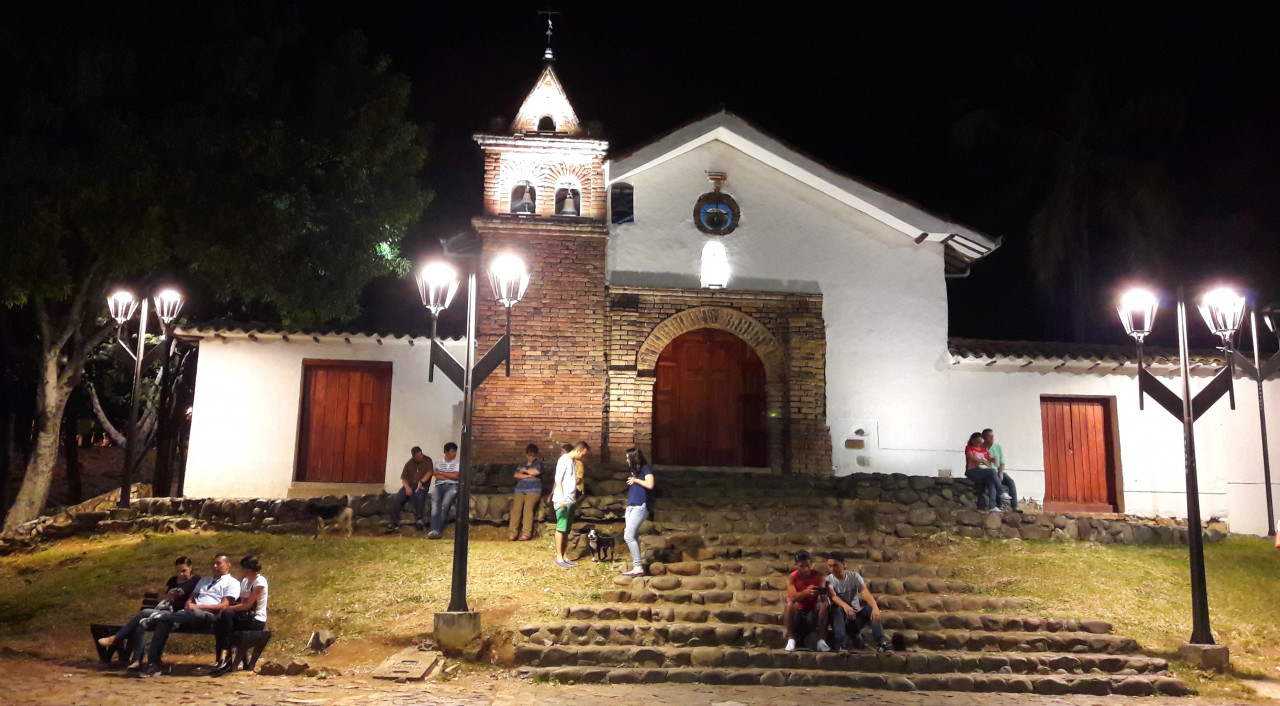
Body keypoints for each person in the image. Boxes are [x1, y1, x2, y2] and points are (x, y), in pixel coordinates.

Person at [140, 554, 241, 678]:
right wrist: (189, 605)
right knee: (165, 622)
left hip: (209, 617)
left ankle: (158, 617)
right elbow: (191, 599)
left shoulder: (232, 583)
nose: (214, 566)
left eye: (218, 563)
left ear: (228, 565)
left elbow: (224, 605)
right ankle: (154, 664)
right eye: (213, 563)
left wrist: (197, 607)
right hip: (188, 615)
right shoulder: (204, 581)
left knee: (190, 614)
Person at [96, 555, 202, 670]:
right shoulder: (172, 580)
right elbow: (159, 597)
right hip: (161, 612)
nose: (181, 574)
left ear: (190, 568)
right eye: (178, 571)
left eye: (184, 571)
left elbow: (187, 596)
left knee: (145, 612)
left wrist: (175, 595)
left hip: (176, 616)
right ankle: (137, 660)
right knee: (141, 623)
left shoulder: (196, 580)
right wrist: (168, 595)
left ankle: (115, 638)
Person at [210, 555, 269, 676]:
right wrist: (241, 579)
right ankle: (223, 658)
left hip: (256, 619)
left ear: (247, 568)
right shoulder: (245, 581)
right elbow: (238, 600)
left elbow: (247, 605)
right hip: (244, 617)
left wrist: (226, 608)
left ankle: (224, 658)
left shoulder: (260, 581)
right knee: (220, 622)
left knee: (226, 613)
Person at [825, 552, 889, 652]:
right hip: (840, 621)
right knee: (836, 610)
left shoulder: (854, 577)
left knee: (871, 609)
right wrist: (845, 606)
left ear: (844, 564)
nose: (832, 569)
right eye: (830, 566)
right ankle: (842, 644)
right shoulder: (829, 580)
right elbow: (833, 596)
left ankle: (881, 642)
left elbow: (865, 592)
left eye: (835, 565)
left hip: (855, 619)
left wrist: (875, 609)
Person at [783, 550, 831, 652]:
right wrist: (806, 592)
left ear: (811, 564)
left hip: (811, 613)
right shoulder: (792, 578)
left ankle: (821, 641)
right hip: (797, 614)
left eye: (807, 565)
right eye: (801, 566)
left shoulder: (818, 576)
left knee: (825, 605)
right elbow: (792, 597)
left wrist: (823, 595)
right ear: (796, 565)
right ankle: (791, 639)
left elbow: (823, 594)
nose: (805, 569)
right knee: (790, 605)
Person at [553, 441, 589, 568]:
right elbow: (558, 480)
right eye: (583, 454)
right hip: (562, 500)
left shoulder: (573, 462)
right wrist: (562, 498)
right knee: (561, 527)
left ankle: (564, 555)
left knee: (566, 529)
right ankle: (558, 557)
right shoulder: (563, 460)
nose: (583, 457)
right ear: (578, 451)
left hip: (570, 499)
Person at [621, 446, 655, 577]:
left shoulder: (645, 469)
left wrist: (636, 480)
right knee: (631, 535)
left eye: (628, 458)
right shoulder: (633, 472)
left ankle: (638, 567)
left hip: (640, 506)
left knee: (628, 536)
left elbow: (650, 485)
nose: (626, 460)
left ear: (634, 458)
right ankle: (637, 567)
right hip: (631, 507)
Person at [387, 446, 433, 532]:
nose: (421, 457)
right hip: (410, 484)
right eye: (418, 456)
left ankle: (420, 519)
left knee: (419, 496)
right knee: (397, 499)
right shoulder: (409, 464)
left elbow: (429, 473)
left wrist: (421, 482)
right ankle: (394, 522)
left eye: (421, 454)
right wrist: (407, 487)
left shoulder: (428, 460)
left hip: (422, 484)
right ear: (414, 456)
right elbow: (403, 478)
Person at [508, 444, 543, 541]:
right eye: (529, 455)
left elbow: (536, 472)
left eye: (532, 455)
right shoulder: (521, 464)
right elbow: (517, 475)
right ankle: (512, 533)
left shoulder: (538, 464)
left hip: (533, 490)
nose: (530, 457)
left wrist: (525, 471)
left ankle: (526, 533)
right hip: (520, 489)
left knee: (528, 509)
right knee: (516, 510)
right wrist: (528, 475)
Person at [428, 442, 460, 539]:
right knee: (434, 506)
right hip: (439, 486)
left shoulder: (457, 463)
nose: (454, 454)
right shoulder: (438, 463)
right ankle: (432, 530)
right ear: (446, 452)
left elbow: (455, 476)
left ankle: (438, 530)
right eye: (452, 451)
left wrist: (441, 472)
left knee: (444, 506)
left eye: (455, 452)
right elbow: (435, 475)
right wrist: (446, 474)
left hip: (452, 486)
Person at [982, 428, 1018, 511]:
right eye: (989, 437)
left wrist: (1001, 471)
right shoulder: (980, 449)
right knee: (992, 482)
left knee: (1010, 482)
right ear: (984, 438)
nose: (992, 439)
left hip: (998, 471)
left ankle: (1014, 506)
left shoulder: (998, 448)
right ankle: (994, 505)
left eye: (993, 436)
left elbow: (1002, 464)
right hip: (988, 473)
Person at [964, 432, 1000, 510]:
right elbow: (971, 457)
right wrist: (982, 461)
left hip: (981, 470)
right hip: (972, 470)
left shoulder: (983, 449)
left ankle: (992, 506)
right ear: (973, 440)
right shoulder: (969, 448)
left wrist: (993, 459)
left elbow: (988, 457)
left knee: (991, 482)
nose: (979, 444)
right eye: (977, 442)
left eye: (980, 442)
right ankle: (1001, 491)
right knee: (992, 472)